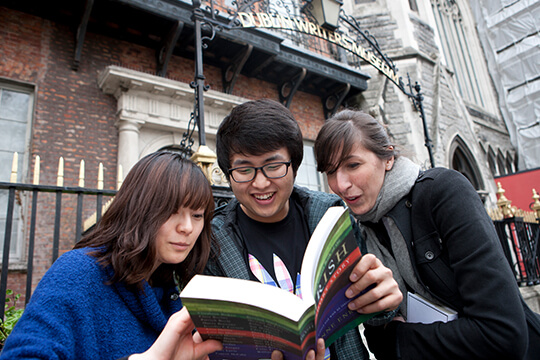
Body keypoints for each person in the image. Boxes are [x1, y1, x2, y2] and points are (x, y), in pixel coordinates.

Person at [314, 109, 531, 359]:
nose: (341, 184)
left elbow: (503, 334)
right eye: (331, 171)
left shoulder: (443, 193)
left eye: (353, 165)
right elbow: (375, 337)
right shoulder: (355, 232)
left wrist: (399, 338)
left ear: (388, 158)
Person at [204, 99, 402, 360]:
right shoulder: (213, 242)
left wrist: (383, 300)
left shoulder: (330, 216)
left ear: (294, 165)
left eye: (273, 166)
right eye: (244, 169)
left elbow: (369, 312)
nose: (261, 183)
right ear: (228, 173)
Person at [0, 151, 223, 360]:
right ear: (139, 209)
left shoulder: (171, 289)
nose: (187, 227)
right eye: (172, 211)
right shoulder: (79, 272)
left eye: (197, 215)